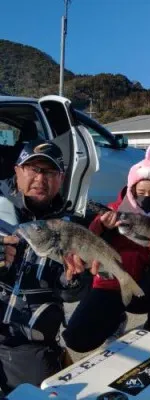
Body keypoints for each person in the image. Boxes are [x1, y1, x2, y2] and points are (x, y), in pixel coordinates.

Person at [63, 145, 150, 353]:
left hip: (144, 287)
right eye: (140, 192)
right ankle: (116, 317)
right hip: (110, 285)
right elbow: (89, 240)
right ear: (131, 189)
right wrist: (101, 225)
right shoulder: (113, 210)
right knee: (76, 339)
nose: (146, 196)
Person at [0, 139, 96, 393]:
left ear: (61, 178)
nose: (40, 178)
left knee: (39, 395)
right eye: (32, 168)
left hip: (27, 344)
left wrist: (74, 279)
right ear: (17, 171)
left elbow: (71, 294)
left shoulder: (70, 226)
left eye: (50, 171)